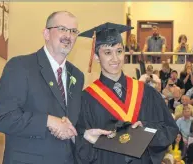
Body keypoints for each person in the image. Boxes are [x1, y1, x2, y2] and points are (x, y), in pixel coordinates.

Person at [75, 22, 178, 164]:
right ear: (96, 57)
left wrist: (147, 128)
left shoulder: (146, 93)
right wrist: (86, 138)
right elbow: (79, 146)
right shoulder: (86, 99)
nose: (115, 59)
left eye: (119, 51)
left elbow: (170, 130)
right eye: (107, 52)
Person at [0, 11, 84, 164]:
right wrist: (48, 121)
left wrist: (84, 135)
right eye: (62, 29)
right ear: (46, 33)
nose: (68, 35)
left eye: (73, 31)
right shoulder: (21, 66)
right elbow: (2, 119)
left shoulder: (77, 76)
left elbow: (71, 124)